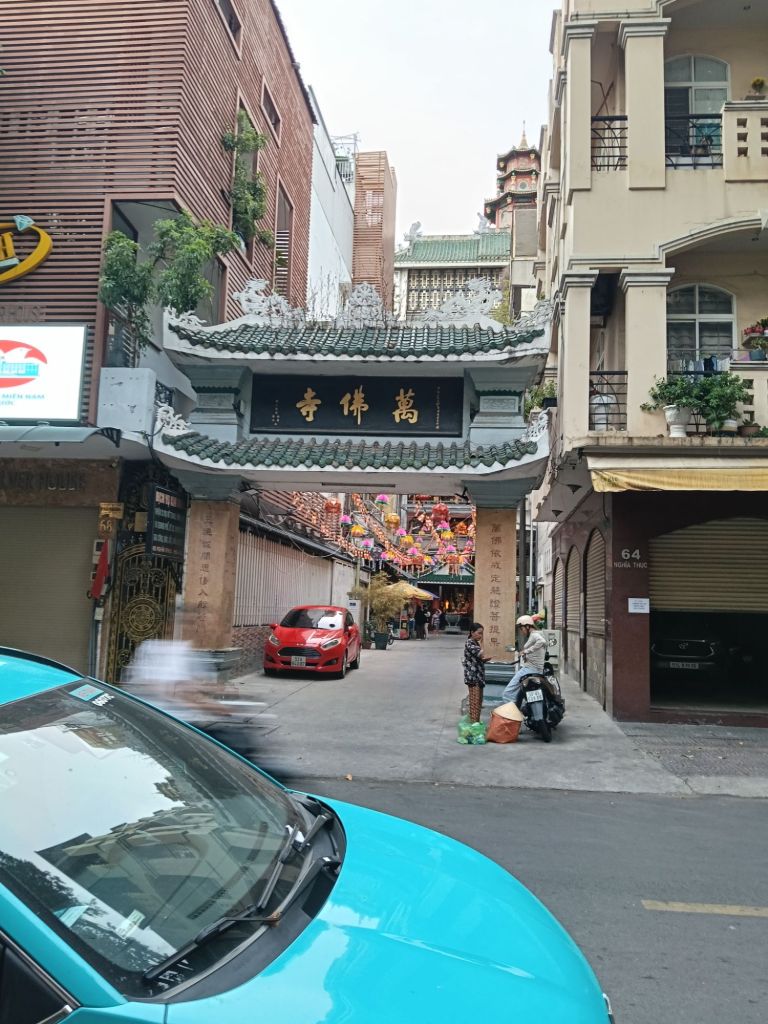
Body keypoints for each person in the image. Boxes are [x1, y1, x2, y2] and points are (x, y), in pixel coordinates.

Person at [502, 615, 548, 707]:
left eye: (522, 628)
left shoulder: (535, 635)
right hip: (537, 670)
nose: (522, 632)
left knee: (507, 694)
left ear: (527, 626)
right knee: (520, 692)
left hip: (529, 669)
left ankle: (514, 715)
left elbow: (542, 642)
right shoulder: (537, 634)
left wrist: (526, 651)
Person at [462, 622, 493, 723]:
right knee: (474, 703)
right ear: (472, 632)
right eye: (479, 633)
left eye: (482, 633)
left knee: (479, 702)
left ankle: (476, 724)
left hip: (479, 676)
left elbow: (479, 658)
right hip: (473, 677)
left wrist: (484, 660)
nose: (481, 636)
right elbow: (479, 653)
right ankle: (473, 726)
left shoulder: (476, 643)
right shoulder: (469, 642)